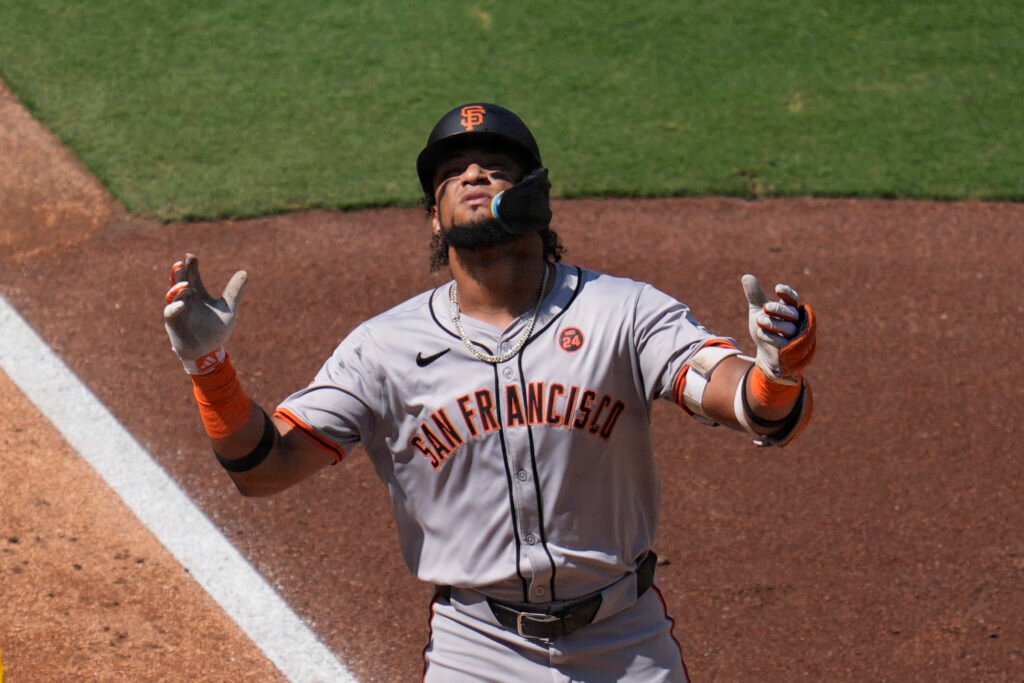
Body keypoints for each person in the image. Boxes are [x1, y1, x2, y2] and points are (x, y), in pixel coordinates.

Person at [163, 102, 816, 682]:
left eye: (496, 166)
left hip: (626, 644)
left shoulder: (624, 313)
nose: (473, 176)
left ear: (537, 195)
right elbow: (265, 467)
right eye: (453, 173)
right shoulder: (382, 348)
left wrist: (776, 368)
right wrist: (209, 366)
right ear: (432, 220)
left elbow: (743, 402)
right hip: (477, 648)